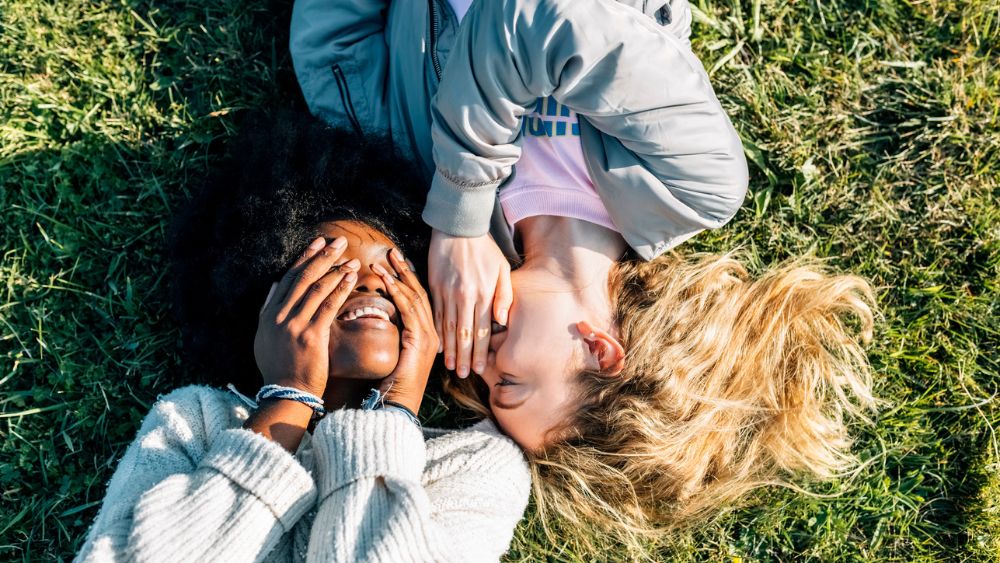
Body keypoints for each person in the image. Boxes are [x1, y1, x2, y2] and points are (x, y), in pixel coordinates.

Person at [290, 0, 878, 549]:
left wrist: (443, 216)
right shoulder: (692, 185)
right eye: (510, 383)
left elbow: (336, 55)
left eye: (487, 390)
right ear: (600, 351)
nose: (476, 361)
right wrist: (462, 213)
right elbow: (535, 18)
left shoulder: (415, 196)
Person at [74, 113, 531, 563]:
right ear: (266, 304)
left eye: (394, 269)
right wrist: (288, 399)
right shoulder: (191, 424)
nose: (371, 283)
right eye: (332, 271)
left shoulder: (478, 463)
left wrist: (395, 415)